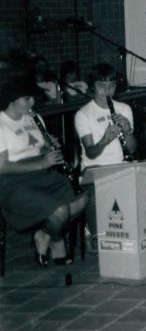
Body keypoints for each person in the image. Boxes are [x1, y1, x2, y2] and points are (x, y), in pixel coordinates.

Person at [0, 76, 88, 266]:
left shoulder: (34, 117)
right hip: (12, 182)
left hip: (41, 175)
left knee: (81, 200)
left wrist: (49, 149)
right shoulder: (1, 124)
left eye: (33, 98)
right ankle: (57, 242)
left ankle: (44, 234)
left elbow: (39, 149)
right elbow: (2, 166)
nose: (32, 103)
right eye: (27, 99)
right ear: (11, 99)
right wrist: (41, 163)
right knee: (60, 211)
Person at [74, 64, 138, 241]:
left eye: (111, 85)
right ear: (92, 86)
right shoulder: (83, 114)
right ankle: (96, 235)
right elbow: (91, 153)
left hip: (120, 165)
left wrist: (127, 130)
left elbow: (131, 150)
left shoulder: (124, 109)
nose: (107, 91)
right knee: (97, 193)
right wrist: (104, 139)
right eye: (101, 85)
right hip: (94, 168)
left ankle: (128, 232)